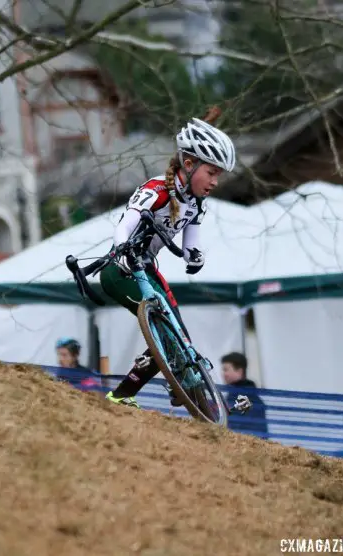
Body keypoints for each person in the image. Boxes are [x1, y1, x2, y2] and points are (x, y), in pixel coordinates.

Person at [101, 107, 237, 409]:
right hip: (119, 269)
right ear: (188, 165)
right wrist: (122, 249)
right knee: (165, 331)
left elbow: (191, 244)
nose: (215, 181)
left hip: (148, 270)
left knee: (179, 336)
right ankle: (184, 390)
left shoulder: (196, 204)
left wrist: (195, 257)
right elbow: (123, 225)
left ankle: (122, 396)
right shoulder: (156, 190)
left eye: (219, 175)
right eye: (211, 172)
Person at [220, 352, 267, 437]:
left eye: (226, 370)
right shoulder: (242, 395)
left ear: (239, 371)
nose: (223, 374)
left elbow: (236, 428)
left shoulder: (246, 398)